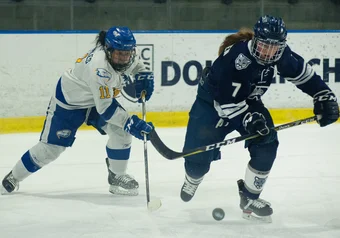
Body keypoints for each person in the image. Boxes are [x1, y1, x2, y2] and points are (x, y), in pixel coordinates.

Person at [180, 15, 339, 221]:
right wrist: (249, 120)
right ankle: (193, 178)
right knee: (197, 163)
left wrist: (323, 95)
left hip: (249, 102)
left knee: (267, 143)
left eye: (274, 47)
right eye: (264, 45)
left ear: (281, 46)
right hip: (210, 105)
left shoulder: (281, 55)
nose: (268, 52)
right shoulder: (236, 59)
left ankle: (249, 197)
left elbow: (304, 75)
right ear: (255, 41)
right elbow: (226, 102)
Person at [1, 26, 155, 196]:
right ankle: (13, 177)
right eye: (119, 54)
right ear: (108, 50)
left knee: (120, 132)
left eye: (127, 54)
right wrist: (130, 123)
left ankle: (117, 175)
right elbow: (105, 109)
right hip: (70, 102)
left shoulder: (123, 53)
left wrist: (143, 74)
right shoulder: (99, 68)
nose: (123, 58)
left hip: (95, 99)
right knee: (50, 149)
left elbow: (135, 65)